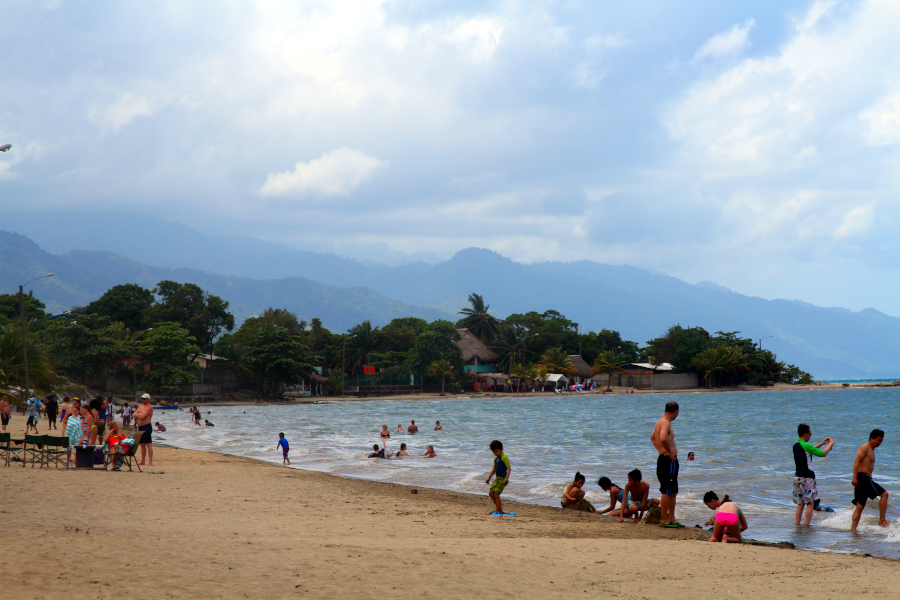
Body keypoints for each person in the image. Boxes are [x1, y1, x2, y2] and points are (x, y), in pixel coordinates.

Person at [792, 423, 834, 525]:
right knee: (810, 503)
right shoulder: (806, 445)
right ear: (805, 434)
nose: (811, 435)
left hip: (797, 478)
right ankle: (806, 524)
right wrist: (830, 444)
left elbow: (809, 451)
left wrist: (821, 444)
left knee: (800, 504)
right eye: (810, 434)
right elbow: (823, 454)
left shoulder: (796, 445)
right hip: (808, 478)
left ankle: (797, 524)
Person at [651, 401, 683, 527]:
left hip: (666, 460)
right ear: (676, 412)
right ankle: (664, 520)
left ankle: (672, 518)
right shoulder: (665, 423)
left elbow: (653, 438)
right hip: (668, 460)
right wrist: (669, 453)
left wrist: (660, 450)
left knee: (673, 490)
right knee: (667, 490)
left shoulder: (660, 421)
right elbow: (663, 438)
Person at [851, 429, 889, 531]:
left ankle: (853, 530)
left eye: (881, 441)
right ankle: (882, 520)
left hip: (863, 478)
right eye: (878, 440)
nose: (879, 443)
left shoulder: (871, 449)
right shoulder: (865, 447)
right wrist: (854, 477)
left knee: (860, 506)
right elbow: (856, 462)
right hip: (863, 478)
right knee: (884, 494)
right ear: (872, 438)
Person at [485, 440, 511, 516]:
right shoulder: (496, 459)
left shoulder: (504, 457)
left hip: (503, 479)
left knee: (496, 494)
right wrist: (488, 478)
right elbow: (494, 469)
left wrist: (507, 478)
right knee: (491, 493)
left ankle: (499, 511)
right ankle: (498, 509)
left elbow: (509, 468)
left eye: (496, 451)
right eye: (493, 452)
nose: (495, 453)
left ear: (501, 449)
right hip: (498, 479)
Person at [133, 393, 154, 466]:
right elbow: (133, 415)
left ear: (148, 399)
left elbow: (143, 417)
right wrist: (139, 414)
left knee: (148, 444)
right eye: (142, 398)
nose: (143, 400)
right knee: (142, 444)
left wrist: (138, 414)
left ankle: (150, 461)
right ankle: (143, 460)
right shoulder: (141, 407)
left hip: (147, 426)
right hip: (140, 427)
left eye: (144, 398)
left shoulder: (149, 407)